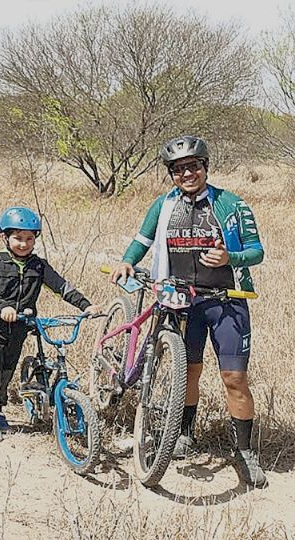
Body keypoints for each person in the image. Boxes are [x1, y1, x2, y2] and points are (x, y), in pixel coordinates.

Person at [110, 135, 266, 487]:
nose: (187, 173)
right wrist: (127, 261)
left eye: (193, 166)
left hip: (226, 300)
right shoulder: (163, 205)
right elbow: (142, 240)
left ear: (205, 167)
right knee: (188, 371)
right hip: (181, 300)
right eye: (179, 169)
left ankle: (245, 453)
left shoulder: (231, 204)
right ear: (171, 174)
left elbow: (257, 251)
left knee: (235, 378)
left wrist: (231, 257)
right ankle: (183, 433)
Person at [0, 207, 96, 441]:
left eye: (29, 238)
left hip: (19, 326)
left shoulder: (39, 266)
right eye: (18, 238)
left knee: (6, 372)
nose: (24, 244)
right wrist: (2, 306)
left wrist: (86, 305)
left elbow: (62, 287)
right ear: (4, 237)